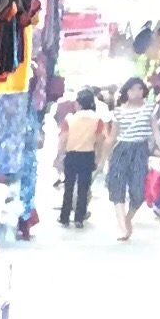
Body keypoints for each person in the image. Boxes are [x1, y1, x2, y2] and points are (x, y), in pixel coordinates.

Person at [106, 75, 160, 240]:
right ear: (126, 92)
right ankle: (123, 228)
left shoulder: (149, 108)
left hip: (140, 150)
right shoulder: (118, 112)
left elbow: (155, 131)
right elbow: (112, 137)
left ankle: (127, 218)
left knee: (139, 191)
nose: (136, 92)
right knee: (118, 187)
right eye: (132, 89)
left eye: (139, 89)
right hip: (121, 150)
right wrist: (103, 159)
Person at [57, 87, 105, 227]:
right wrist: (98, 157)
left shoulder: (70, 119)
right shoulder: (97, 120)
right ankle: (79, 217)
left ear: (78, 103)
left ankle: (64, 217)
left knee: (69, 187)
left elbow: (63, 139)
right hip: (88, 155)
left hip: (71, 155)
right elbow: (100, 140)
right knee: (84, 187)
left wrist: (59, 155)